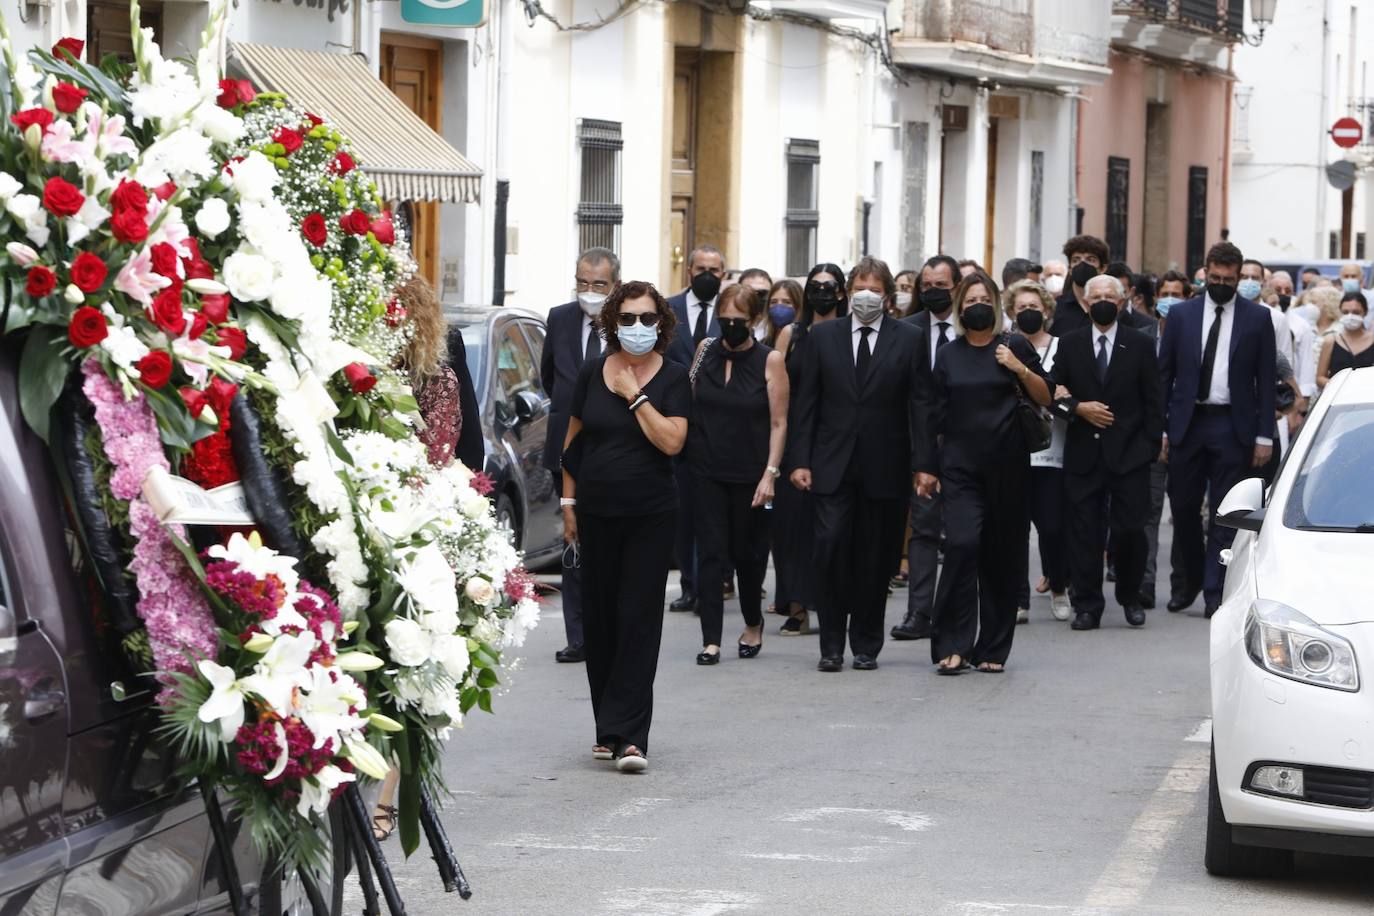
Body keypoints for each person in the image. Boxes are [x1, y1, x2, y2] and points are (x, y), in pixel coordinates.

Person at [561, 281, 690, 773]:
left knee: (638, 619)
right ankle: (606, 728)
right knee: (600, 619)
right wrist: (569, 504)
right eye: (629, 318)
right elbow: (573, 443)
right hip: (595, 513)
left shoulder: (674, 377)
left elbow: (673, 442)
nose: (638, 327)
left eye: (647, 318)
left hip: (650, 515)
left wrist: (635, 396)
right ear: (613, 322)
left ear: (661, 323)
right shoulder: (593, 373)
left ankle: (632, 738)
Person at [789, 257, 923, 672]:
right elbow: (806, 402)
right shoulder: (823, 336)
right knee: (830, 549)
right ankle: (831, 645)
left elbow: (920, 405)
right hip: (831, 463)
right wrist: (800, 459)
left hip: (886, 465)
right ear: (849, 292)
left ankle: (866, 644)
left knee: (874, 557)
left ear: (888, 297)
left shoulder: (909, 338)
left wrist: (925, 464)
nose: (868, 297)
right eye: (861, 288)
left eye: (876, 290)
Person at [917, 272, 1051, 674]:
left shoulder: (1015, 345)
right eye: (969, 299)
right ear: (960, 307)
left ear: (994, 305)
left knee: (1001, 556)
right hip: (960, 469)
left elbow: (1047, 395)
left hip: (1009, 468)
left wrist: (1019, 369)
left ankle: (992, 648)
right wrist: (926, 467)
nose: (977, 305)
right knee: (961, 545)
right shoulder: (949, 353)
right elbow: (932, 414)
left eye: (983, 298)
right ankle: (952, 644)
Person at [372, 273, 465, 840]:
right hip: (365, 518)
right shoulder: (356, 375)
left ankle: (386, 795)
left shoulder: (437, 380)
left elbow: (436, 455)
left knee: (413, 662)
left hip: (414, 526)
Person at [1158, 241, 1276, 618]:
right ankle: (1185, 583)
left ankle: (1215, 591)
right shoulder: (1181, 316)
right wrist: (1162, 428)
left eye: (1228, 278)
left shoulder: (1257, 318)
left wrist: (1263, 435)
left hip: (1232, 424)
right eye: (1215, 277)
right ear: (1205, 273)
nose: (1221, 283)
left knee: (1226, 515)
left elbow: (1266, 378)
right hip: (1187, 423)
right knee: (1184, 507)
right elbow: (1165, 375)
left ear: (1239, 278)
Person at [1051, 275, 1163, 630]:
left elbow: (1153, 400)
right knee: (1085, 531)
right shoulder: (1068, 344)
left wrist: (1150, 445)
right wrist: (1078, 408)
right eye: (1094, 296)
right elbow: (1054, 394)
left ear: (1122, 301)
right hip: (1084, 451)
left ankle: (1130, 596)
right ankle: (1087, 604)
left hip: (1130, 454)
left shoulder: (1140, 344)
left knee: (1131, 529)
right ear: (1085, 303)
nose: (1102, 301)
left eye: (1109, 296)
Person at [687, 285, 789, 664]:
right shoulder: (704, 351)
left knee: (748, 556)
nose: (730, 326)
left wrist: (770, 474)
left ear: (754, 320)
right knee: (711, 556)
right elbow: (687, 394)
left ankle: (752, 621)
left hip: (750, 475)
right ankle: (710, 639)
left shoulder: (770, 360)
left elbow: (779, 423)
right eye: (724, 319)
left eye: (738, 321)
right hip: (706, 470)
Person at [541, 248, 619, 665]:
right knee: (572, 541)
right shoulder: (559, 318)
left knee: (606, 542)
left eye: (599, 285)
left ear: (614, 286)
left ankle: (609, 629)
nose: (589, 292)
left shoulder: (629, 321)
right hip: (566, 447)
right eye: (582, 283)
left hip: (613, 448)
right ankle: (579, 637)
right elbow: (549, 375)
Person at [772, 266, 847, 636]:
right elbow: (777, 389)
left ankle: (831, 599)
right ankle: (797, 605)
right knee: (792, 526)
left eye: (828, 287)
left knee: (831, 529)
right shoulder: (792, 334)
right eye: (814, 287)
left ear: (841, 292)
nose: (821, 293)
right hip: (796, 435)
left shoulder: (851, 333)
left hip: (837, 438)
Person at [891, 254, 961, 642]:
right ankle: (919, 612)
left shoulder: (973, 327)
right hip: (920, 444)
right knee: (923, 528)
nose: (934, 293)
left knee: (962, 532)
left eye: (942, 286)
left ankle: (956, 609)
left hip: (967, 444)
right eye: (927, 286)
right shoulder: (907, 330)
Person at [1006, 280, 1071, 623]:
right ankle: (1019, 599)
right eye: (1021, 308)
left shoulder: (1062, 347)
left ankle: (1058, 585)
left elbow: (1067, 389)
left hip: (1053, 449)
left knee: (1052, 526)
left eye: (1035, 307)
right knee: (1015, 528)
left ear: (1046, 310)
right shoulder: (1004, 346)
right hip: (1014, 449)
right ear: (1011, 313)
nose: (1029, 313)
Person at [665, 246, 725, 613]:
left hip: (718, 426)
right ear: (688, 270)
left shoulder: (731, 310)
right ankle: (689, 584)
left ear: (723, 272)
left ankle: (711, 584)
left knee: (713, 513)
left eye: (714, 269)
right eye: (701, 268)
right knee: (684, 511)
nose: (707, 274)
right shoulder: (668, 309)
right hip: (675, 422)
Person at [1051, 235, 1110, 337]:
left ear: (1102, 268)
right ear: (1069, 269)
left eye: (1090, 259)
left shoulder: (1111, 307)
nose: (1082, 264)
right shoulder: (1055, 309)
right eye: (1076, 260)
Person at [1316, 291, 1374, 388]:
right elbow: (1320, 377)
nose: (1350, 316)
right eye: (1345, 312)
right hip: (1336, 398)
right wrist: (1339, 387)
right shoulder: (1330, 341)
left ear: (1365, 312)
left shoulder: (1372, 340)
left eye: (1356, 312)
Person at [764, 278, 803, 348]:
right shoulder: (764, 343)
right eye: (773, 302)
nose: (779, 306)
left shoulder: (806, 342)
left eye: (787, 302)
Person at [739, 268, 773, 341]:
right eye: (749, 292)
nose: (755, 298)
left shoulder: (779, 327)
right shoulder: (727, 323)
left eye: (762, 293)